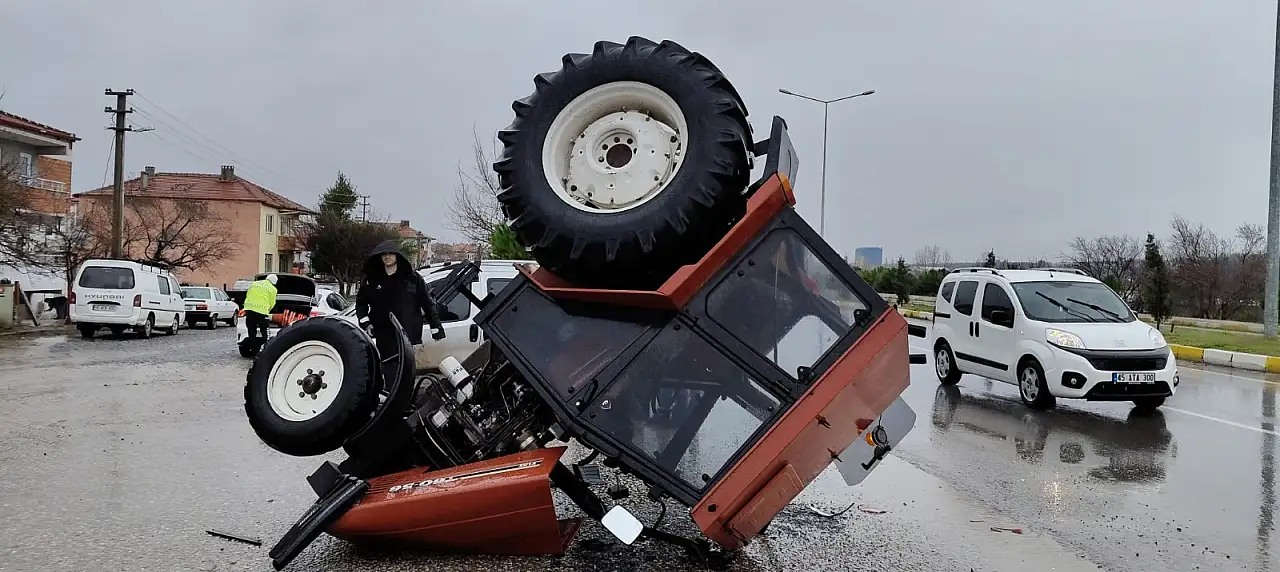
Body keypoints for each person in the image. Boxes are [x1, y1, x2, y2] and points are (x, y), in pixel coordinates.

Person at [355, 241, 445, 359]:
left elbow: (427, 303)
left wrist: (436, 327)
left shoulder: (412, 278)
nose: (387, 257)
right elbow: (361, 303)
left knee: (407, 370)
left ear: (397, 256)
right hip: (383, 333)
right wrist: (366, 323)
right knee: (388, 369)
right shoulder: (372, 280)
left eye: (390, 253)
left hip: (409, 333)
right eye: (384, 254)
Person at [243, 274, 278, 345]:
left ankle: (252, 348)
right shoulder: (273, 289)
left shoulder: (254, 284)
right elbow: (272, 303)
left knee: (251, 330)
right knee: (264, 330)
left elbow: (248, 295)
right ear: (274, 282)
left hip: (249, 309)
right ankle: (266, 347)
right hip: (261, 312)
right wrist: (268, 311)